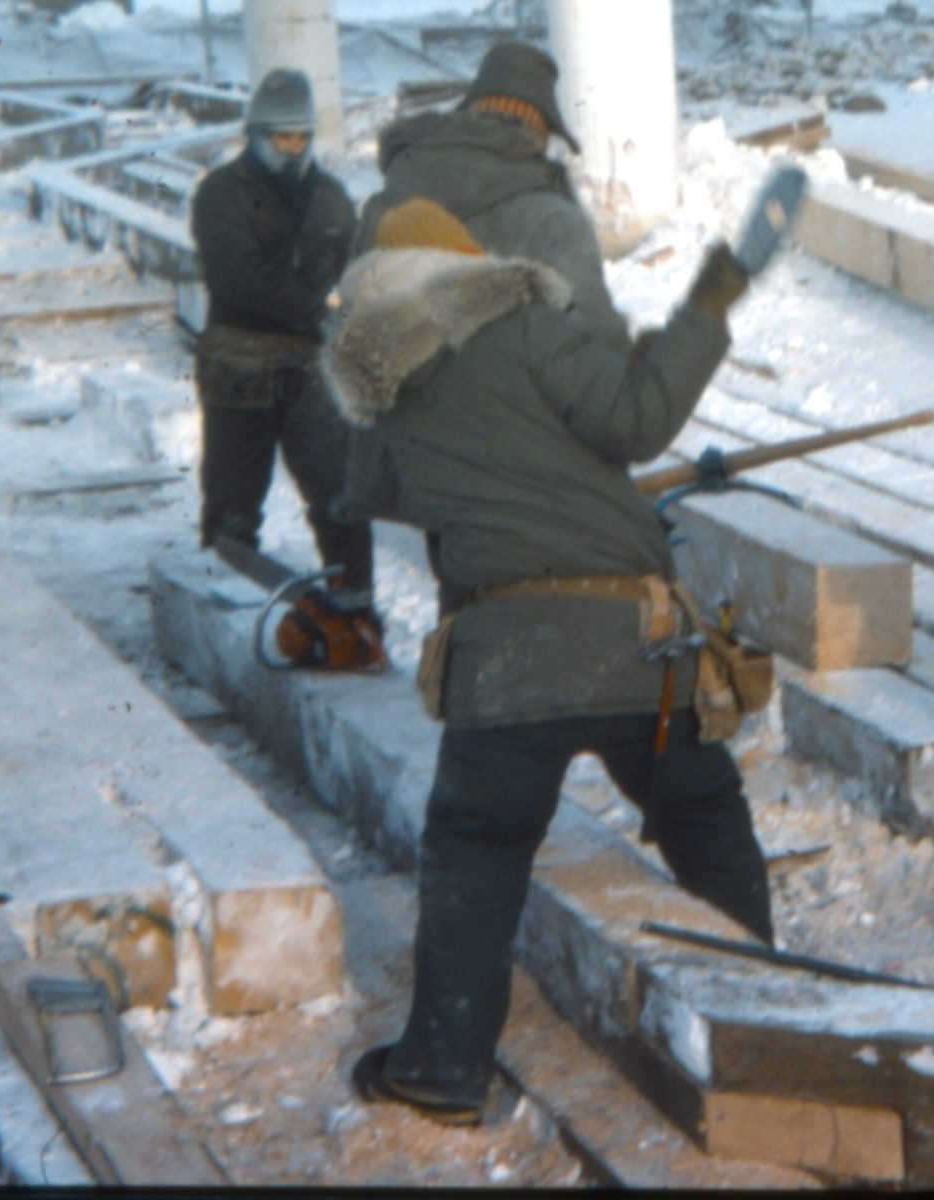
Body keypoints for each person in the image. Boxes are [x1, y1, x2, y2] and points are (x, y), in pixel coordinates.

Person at [325, 198, 773, 1124]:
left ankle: (443, 1067)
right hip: (633, 645)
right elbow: (636, 420)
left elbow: (382, 494)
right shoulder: (521, 324)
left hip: (501, 661)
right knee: (702, 815)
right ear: (465, 263)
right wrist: (704, 310)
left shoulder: (385, 386)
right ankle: (768, 1024)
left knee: (475, 852)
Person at [189, 68, 374, 597]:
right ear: (255, 135)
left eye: (302, 136)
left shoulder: (332, 197)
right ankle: (228, 608)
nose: (293, 148)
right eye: (281, 137)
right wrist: (317, 309)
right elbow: (239, 276)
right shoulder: (220, 193)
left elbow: (354, 267)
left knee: (340, 500)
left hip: (311, 369)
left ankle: (354, 610)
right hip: (239, 366)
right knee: (233, 507)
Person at [352, 41, 630, 355]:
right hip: (519, 384)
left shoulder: (386, 201)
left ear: (470, 113)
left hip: (401, 383)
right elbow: (598, 341)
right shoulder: (554, 220)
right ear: (538, 132)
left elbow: (350, 326)